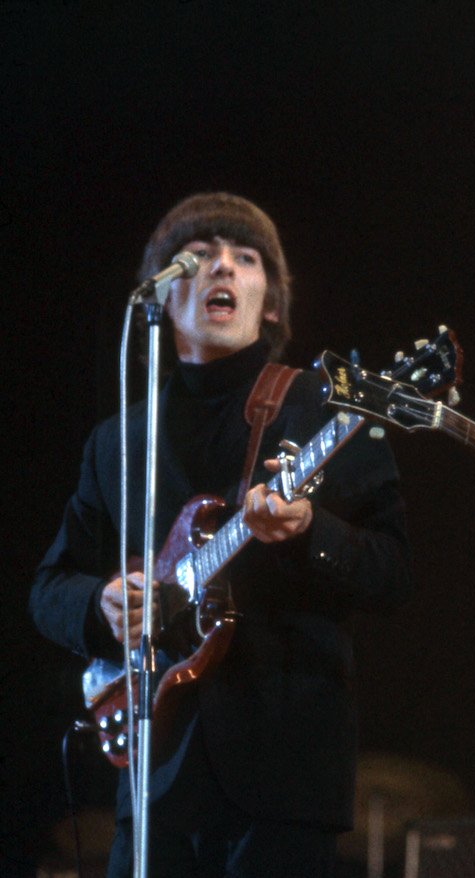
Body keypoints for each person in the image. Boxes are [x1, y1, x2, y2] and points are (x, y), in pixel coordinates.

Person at [30, 193, 412, 876]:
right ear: (165, 297)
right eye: (199, 256)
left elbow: (393, 572)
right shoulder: (118, 442)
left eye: (246, 258)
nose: (222, 269)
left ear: (271, 304)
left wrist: (308, 530)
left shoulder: (323, 406)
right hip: (153, 785)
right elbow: (48, 588)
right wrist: (102, 603)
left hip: (282, 782)